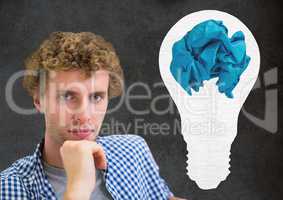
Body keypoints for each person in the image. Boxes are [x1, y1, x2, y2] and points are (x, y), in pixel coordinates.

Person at [0, 32, 185, 200]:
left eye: (96, 97)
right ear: (38, 101)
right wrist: (79, 186)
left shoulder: (133, 150)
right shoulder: (8, 188)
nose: (85, 115)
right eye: (68, 96)